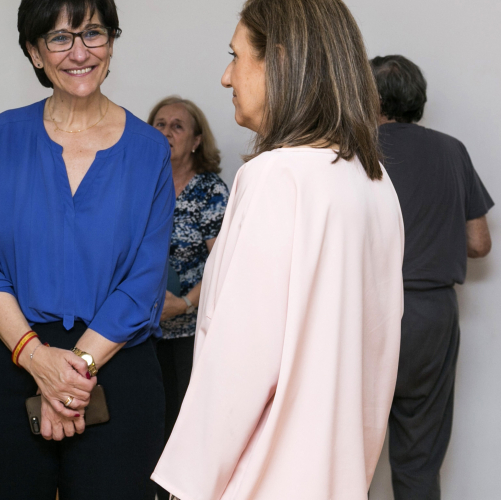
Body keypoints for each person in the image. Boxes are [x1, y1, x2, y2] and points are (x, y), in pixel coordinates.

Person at [152, 0, 406, 498]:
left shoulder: (277, 175)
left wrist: (186, 484)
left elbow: (241, 358)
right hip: (336, 474)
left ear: (281, 62)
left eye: (237, 56)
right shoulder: (374, 181)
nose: (227, 77)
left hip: (265, 476)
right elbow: (376, 352)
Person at [0, 0, 174, 498]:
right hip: (11, 358)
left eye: (93, 33)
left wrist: (70, 376)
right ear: (34, 52)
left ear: (112, 42)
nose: (79, 51)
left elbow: (143, 284)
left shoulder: (149, 150)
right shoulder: (3, 135)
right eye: (59, 38)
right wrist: (38, 361)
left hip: (115, 364)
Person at [370, 54, 493, 500]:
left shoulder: (355, 150)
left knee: (348, 450)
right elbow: (479, 242)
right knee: (419, 457)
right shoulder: (451, 149)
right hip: (433, 315)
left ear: (369, 96)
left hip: (368, 311)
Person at [147, 96, 228, 500]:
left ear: (196, 140)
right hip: (139, 330)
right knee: (144, 423)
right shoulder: (141, 182)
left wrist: (187, 302)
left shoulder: (211, 189)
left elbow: (225, 261)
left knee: (182, 423)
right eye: (159, 123)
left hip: (190, 331)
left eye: (177, 125)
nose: (166, 131)